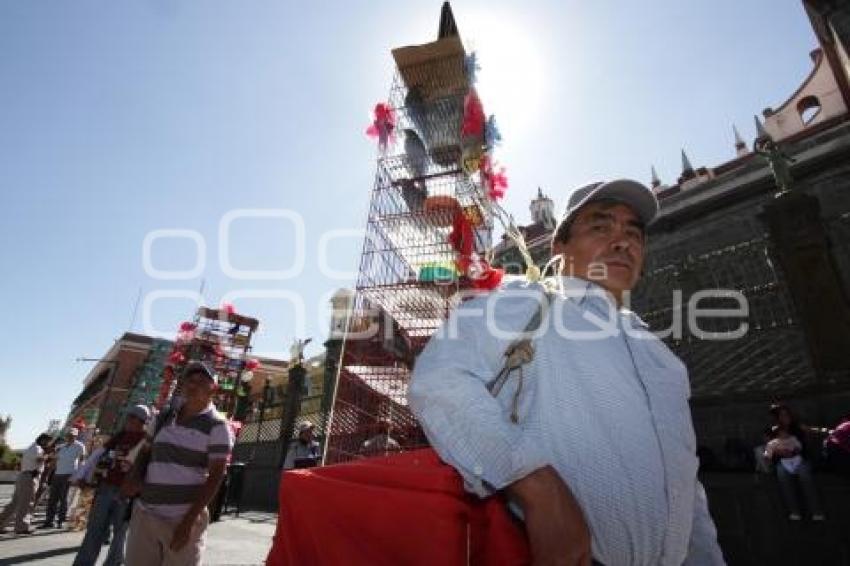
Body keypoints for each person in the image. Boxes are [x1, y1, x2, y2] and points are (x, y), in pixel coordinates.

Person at [410, 179, 726, 565]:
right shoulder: (527, 305)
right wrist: (537, 486)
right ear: (559, 246)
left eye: (633, 233)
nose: (621, 241)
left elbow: (685, 490)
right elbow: (439, 381)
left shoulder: (661, 359)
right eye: (600, 226)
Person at [123, 362, 234, 565]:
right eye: (190, 380)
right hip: (145, 514)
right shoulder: (164, 416)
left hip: (182, 519)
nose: (194, 385)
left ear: (214, 389)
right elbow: (146, 451)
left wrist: (188, 523)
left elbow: (217, 476)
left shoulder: (218, 426)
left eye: (202, 381)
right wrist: (135, 476)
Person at [72, 405, 150, 566]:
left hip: (127, 495)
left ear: (140, 420)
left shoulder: (147, 441)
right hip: (106, 489)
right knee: (94, 530)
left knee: (120, 534)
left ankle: (113, 563)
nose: (127, 420)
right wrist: (83, 476)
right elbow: (96, 457)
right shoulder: (118, 437)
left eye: (130, 417)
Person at [765, 404, 824, 521]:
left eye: (787, 415)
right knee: (782, 476)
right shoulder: (773, 431)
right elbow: (769, 448)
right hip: (783, 461)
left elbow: (806, 437)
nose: (785, 418)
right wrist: (778, 453)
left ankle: (816, 511)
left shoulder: (797, 428)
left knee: (805, 476)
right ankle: (794, 511)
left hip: (799, 459)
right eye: (782, 415)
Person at [0, 433, 52, 535]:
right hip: (30, 477)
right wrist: (48, 456)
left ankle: (1, 523)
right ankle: (21, 527)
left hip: (24, 476)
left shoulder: (31, 447)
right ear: (43, 440)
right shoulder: (37, 448)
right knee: (27, 503)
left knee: (14, 503)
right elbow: (39, 459)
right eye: (48, 441)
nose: (48, 444)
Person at [41, 427, 86, 529]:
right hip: (57, 474)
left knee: (63, 499)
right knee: (52, 499)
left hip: (69, 475)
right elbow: (54, 461)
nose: (70, 437)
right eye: (68, 435)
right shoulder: (61, 447)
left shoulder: (80, 446)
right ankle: (49, 521)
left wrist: (78, 475)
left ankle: (61, 520)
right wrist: (48, 474)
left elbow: (82, 461)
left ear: (76, 436)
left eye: (72, 435)